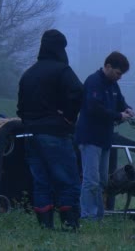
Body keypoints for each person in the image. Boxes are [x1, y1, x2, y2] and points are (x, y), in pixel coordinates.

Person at [17, 29, 84, 230]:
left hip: (30, 134)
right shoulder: (62, 70)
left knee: (41, 182)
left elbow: (20, 108)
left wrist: (31, 121)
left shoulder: (28, 74)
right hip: (55, 133)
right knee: (68, 181)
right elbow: (78, 92)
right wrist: (69, 117)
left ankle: (45, 227)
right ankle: (69, 225)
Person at [75, 51, 134, 221]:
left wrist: (127, 109)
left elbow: (120, 102)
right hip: (90, 138)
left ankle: (98, 215)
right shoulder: (94, 82)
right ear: (108, 67)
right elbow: (94, 108)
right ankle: (87, 216)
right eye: (118, 73)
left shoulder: (113, 84)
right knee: (90, 180)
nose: (120, 77)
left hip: (105, 139)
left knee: (101, 181)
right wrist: (118, 116)